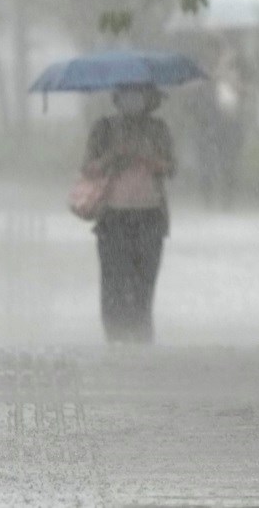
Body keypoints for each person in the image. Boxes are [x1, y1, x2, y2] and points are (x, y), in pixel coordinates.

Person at [81, 84, 175, 343]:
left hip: (150, 217)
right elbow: (88, 169)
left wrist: (147, 159)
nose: (132, 100)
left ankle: (141, 339)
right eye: (127, 93)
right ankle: (115, 339)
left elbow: (171, 168)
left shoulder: (158, 130)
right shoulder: (104, 129)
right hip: (113, 218)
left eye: (138, 94)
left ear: (149, 98)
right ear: (117, 97)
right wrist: (113, 156)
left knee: (143, 285)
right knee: (113, 285)